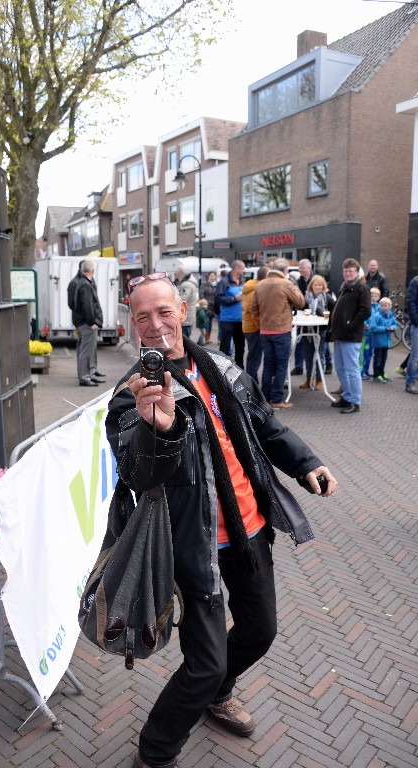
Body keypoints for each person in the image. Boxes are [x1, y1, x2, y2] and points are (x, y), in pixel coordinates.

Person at [106, 272, 337, 768]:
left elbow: (265, 425)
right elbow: (135, 472)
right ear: (132, 323)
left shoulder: (223, 368)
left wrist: (306, 462)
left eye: (164, 312)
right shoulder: (132, 396)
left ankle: (218, 693)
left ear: (183, 312)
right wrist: (159, 430)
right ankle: (156, 750)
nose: (155, 324)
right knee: (205, 665)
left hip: (250, 529)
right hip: (192, 546)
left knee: (259, 631)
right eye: (142, 316)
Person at [250, 258, 305, 409]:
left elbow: (253, 309)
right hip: (281, 330)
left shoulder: (260, 284)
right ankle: (277, 399)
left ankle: (265, 398)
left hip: (265, 330)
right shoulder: (286, 284)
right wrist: (294, 285)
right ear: (285, 270)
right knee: (281, 365)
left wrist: (264, 318)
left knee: (268, 364)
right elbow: (300, 301)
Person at [328, 258, 371, 413]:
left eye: (350, 271)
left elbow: (366, 310)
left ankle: (354, 401)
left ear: (357, 272)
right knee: (340, 368)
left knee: (351, 369)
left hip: (351, 336)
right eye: (345, 271)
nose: (347, 273)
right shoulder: (345, 287)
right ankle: (347, 396)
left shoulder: (362, 288)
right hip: (340, 335)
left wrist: (351, 324)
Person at [70, 259, 106, 387]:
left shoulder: (81, 282)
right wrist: (92, 322)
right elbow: (87, 306)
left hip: (83, 323)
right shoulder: (85, 284)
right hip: (86, 324)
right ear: (92, 270)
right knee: (86, 351)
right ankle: (85, 377)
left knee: (85, 350)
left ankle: (88, 375)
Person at [299, 275, 335, 390]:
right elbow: (300, 310)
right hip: (307, 330)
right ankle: (309, 379)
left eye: (320, 285)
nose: (317, 287)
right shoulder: (305, 297)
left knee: (320, 356)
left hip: (322, 331)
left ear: (323, 286)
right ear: (311, 286)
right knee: (308, 357)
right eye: (315, 284)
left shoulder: (328, 298)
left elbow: (333, 314)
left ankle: (319, 380)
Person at [215, 260, 245, 367]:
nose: (244, 270)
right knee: (225, 347)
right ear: (236, 268)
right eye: (243, 268)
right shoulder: (223, 282)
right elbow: (218, 299)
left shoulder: (243, 281)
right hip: (227, 320)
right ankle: (222, 369)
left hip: (241, 320)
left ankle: (240, 370)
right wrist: (234, 298)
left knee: (240, 347)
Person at [242, 265, 268, 384]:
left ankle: (252, 383)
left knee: (253, 357)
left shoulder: (252, 287)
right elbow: (254, 312)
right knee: (254, 358)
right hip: (254, 329)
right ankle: (252, 385)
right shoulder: (255, 290)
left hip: (249, 327)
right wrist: (260, 328)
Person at [290, 259, 313, 375]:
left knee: (318, 340)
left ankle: (327, 364)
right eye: (300, 268)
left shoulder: (315, 280)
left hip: (314, 315)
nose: (301, 270)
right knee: (299, 340)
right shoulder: (298, 282)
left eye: (303, 268)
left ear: (309, 268)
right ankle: (299, 366)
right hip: (301, 314)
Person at [370, 297, 396, 382]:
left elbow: (394, 324)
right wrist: (386, 328)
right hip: (378, 341)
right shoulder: (377, 315)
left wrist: (393, 328)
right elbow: (373, 327)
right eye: (381, 305)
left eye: (385, 305)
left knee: (384, 359)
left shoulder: (391, 315)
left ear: (390, 306)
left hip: (386, 341)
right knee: (377, 358)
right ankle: (376, 375)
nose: (383, 307)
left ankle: (381, 373)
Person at [360, 288, 381, 380]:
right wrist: (365, 325)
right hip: (366, 334)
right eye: (371, 295)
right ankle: (362, 372)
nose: (373, 297)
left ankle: (366, 371)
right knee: (364, 354)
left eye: (375, 296)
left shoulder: (379, 307)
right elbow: (362, 316)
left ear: (379, 297)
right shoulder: (366, 305)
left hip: (374, 334)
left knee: (369, 354)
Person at [174, 268, 198, 338]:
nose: (176, 277)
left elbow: (183, 299)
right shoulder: (188, 283)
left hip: (186, 317)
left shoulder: (186, 285)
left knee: (184, 339)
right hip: (188, 315)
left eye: (177, 274)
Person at [404, 275, 418, 394]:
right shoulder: (415, 281)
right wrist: (415, 320)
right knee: (415, 356)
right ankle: (410, 382)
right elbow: (410, 302)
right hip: (417, 325)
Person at [200, 271, 218, 343]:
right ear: (209, 276)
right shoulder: (205, 284)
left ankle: (218, 339)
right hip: (207, 306)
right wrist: (204, 302)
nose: (212, 277)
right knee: (208, 322)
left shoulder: (218, 284)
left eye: (213, 276)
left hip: (215, 307)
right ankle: (207, 338)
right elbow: (201, 294)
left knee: (215, 323)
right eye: (211, 275)